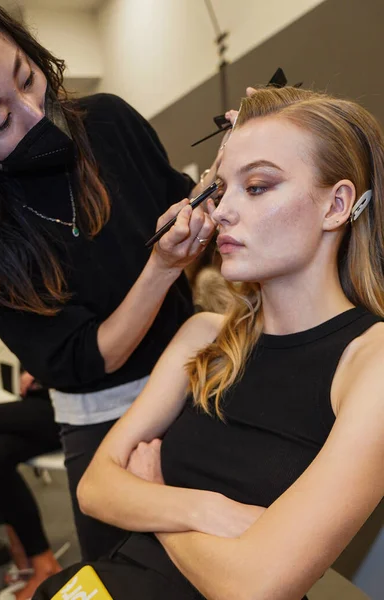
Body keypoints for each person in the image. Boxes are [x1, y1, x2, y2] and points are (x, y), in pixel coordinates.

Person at [34, 86, 384, 600]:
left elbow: (254, 586)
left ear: (336, 205)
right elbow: (94, 487)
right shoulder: (205, 335)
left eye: (259, 186)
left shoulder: (369, 363)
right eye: (222, 190)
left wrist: (154, 498)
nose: (221, 213)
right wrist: (202, 509)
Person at [0, 0, 226, 578]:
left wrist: (226, 187)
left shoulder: (110, 123)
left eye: (28, 77)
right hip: (102, 425)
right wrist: (162, 268)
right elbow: (87, 357)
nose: (34, 113)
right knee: (133, 576)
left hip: (200, 386)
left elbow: (182, 204)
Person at [0, 337, 62, 599]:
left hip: (68, 402)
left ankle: (38, 563)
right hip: (44, 395)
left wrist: (45, 373)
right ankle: (41, 561)